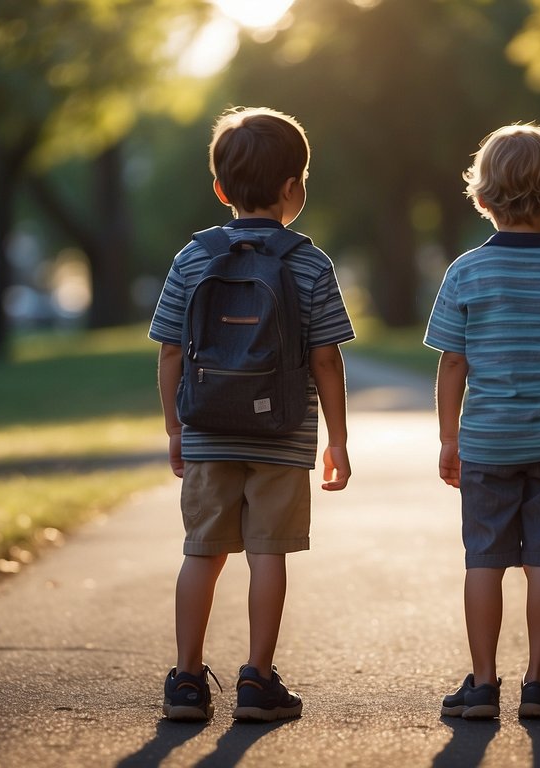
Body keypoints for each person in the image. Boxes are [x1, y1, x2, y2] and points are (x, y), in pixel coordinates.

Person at [148, 106, 354, 723]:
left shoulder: (191, 259)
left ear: (219, 189)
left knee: (201, 552)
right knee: (268, 553)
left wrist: (175, 427)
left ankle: (186, 679)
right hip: (283, 434)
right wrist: (336, 441)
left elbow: (167, 350)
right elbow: (325, 360)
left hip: (209, 426)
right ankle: (257, 681)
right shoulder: (311, 264)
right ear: (293, 189)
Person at [424, 122, 540, 720]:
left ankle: (483, 685)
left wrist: (449, 438)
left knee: (484, 558)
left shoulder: (465, 273)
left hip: (487, 443)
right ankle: (538, 681)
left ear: (482, 198)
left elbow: (453, 362)